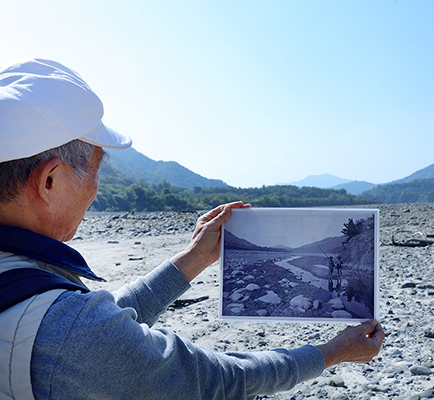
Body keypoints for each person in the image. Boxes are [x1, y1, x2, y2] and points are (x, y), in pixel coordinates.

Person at [0, 58, 384, 400]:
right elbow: (216, 379)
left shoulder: (25, 284)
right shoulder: (71, 332)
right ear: (49, 181)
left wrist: (192, 258)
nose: (95, 188)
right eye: (97, 168)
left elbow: (87, 330)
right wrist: (334, 352)